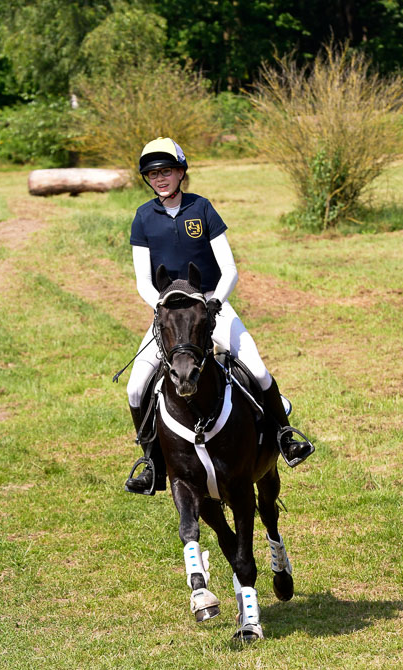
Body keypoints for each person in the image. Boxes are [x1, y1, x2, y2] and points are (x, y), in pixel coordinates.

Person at [124, 137, 313, 495]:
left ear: (181, 172)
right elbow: (143, 282)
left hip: (211, 304)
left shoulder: (202, 208)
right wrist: (162, 307)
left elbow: (229, 269)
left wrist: (214, 304)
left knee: (256, 368)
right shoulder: (143, 217)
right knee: (136, 387)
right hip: (169, 314)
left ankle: (285, 437)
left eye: (166, 171)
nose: (160, 178)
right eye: (153, 174)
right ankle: (151, 463)